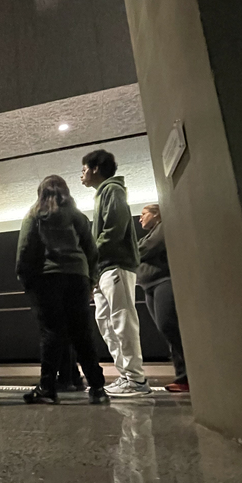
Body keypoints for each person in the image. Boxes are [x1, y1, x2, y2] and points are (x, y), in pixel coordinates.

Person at [16, 175, 109, 405]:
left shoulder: (35, 214)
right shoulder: (77, 216)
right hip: (77, 277)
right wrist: (90, 280)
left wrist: (26, 280)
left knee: (51, 333)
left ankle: (47, 387)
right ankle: (97, 388)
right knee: (82, 334)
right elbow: (91, 250)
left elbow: (25, 249)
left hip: (48, 279)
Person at [81, 149, 151, 396]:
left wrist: (91, 253)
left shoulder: (113, 190)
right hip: (104, 269)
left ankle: (136, 379)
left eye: (84, 169)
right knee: (107, 323)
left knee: (122, 321)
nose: (82, 174)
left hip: (116, 265)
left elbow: (114, 229)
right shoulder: (102, 194)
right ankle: (126, 375)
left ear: (95, 168)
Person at [137, 204, 189, 393]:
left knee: (169, 325)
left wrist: (135, 251)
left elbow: (146, 249)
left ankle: (189, 374)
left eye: (144, 214)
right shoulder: (149, 235)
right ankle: (183, 376)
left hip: (163, 281)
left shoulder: (163, 227)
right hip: (149, 286)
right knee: (166, 329)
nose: (140, 218)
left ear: (156, 213)